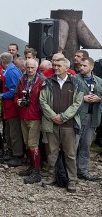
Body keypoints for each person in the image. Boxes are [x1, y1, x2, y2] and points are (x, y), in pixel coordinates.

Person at [40, 57, 84, 192]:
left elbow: (78, 103)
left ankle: (72, 180)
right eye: (54, 65)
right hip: (51, 123)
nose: (55, 68)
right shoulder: (48, 82)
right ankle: (51, 176)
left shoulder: (76, 83)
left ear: (66, 67)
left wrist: (63, 117)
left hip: (69, 124)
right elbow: (42, 101)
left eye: (58, 65)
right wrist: (53, 116)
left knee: (70, 153)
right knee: (52, 152)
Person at [14, 58, 44, 184]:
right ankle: (32, 167)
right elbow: (16, 94)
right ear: (25, 68)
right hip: (23, 114)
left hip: (35, 116)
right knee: (27, 143)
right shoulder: (22, 80)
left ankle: (36, 171)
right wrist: (18, 101)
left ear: (36, 67)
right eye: (28, 67)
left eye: (32, 67)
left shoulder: (41, 81)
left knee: (33, 144)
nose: (30, 70)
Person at [0, 52, 23, 167]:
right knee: (9, 132)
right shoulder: (13, 70)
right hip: (10, 107)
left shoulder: (11, 72)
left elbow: (13, 91)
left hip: (12, 107)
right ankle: (11, 151)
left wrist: (1, 95)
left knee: (14, 133)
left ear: (1, 61)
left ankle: (17, 155)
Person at [75, 57, 102, 180]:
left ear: (91, 67)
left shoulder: (99, 81)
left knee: (86, 145)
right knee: (74, 145)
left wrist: (99, 99)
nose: (81, 68)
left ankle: (83, 170)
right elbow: (68, 96)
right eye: (80, 65)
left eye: (84, 66)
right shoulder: (75, 79)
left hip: (92, 117)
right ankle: (70, 171)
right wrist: (82, 98)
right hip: (77, 117)